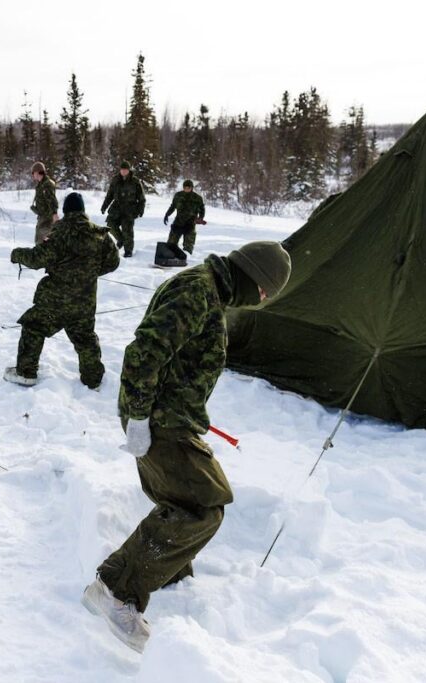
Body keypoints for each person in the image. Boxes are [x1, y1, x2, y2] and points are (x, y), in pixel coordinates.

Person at [81, 241, 292, 653]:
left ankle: (169, 570)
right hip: (161, 421)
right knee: (201, 506)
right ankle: (115, 589)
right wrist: (140, 417)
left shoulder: (210, 289)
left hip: (172, 417)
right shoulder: (198, 291)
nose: (261, 301)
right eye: (265, 293)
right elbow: (144, 352)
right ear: (253, 278)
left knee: (183, 498)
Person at [4, 192, 120, 389]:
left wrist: (16, 254)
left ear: (66, 211)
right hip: (84, 301)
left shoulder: (60, 232)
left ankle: (25, 373)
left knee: (33, 327)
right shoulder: (99, 234)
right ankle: (93, 379)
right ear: (83, 210)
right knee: (85, 338)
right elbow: (113, 262)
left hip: (55, 302)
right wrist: (88, 273)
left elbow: (36, 259)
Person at [101, 161, 146, 258]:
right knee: (110, 224)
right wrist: (104, 206)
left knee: (127, 231)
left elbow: (141, 198)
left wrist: (141, 210)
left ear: (129, 170)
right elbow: (110, 195)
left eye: (125, 170)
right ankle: (120, 240)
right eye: (122, 170)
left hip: (129, 209)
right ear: (120, 170)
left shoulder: (135, 181)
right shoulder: (115, 180)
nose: (124, 171)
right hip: (116, 208)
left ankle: (128, 251)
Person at [163, 180, 206, 254]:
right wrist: (167, 214)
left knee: (188, 246)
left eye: (188, 187)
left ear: (192, 188)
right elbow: (173, 206)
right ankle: (170, 258)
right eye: (185, 187)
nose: (186, 189)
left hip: (190, 223)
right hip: (178, 222)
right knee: (171, 243)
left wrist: (200, 218)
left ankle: (186, 259)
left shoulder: (197, 198)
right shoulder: (178, 195)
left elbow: (202, 209)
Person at [30, 161, 59, 245]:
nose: (33, 175)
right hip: (42, 217)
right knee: (39, 239)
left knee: (44, 241)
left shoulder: (47, 184)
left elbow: (52, 200)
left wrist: (54, 214)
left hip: (47, 218)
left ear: (37, 172)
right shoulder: (41, 184)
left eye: (33, 172)